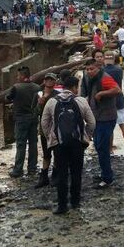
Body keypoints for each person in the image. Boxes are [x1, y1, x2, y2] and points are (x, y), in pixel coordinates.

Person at [40, 75, 95, 214]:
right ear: (75, 88)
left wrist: (51, 138)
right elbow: (92, 122)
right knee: (76, 172)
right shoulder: (81, 101)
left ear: (63, 87)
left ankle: (62, 205)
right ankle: (75, 201)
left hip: (59, 144)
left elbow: (44, 123)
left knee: (62, 174)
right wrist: (86, 137)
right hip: (77, 143)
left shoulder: (52, 101)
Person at [84, 58, 121, 187]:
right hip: (98, 118)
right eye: (87, 69)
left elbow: (117, 90)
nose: (89, 72)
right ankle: (105, 173)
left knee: (102, 147)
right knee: (99, 147)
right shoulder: (92, 79)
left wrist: (101, 93)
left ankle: (107, 178)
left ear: (98, 68)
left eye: (92, 69)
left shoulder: (104, 77)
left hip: (106, 118)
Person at [5, 66, 41, 178]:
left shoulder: (16, 87)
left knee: (21, 145)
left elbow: (8, 98)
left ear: (22, 76)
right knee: (33, 144)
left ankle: (18, 170)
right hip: (34, 118)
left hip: (21, 119)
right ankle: (32, 169)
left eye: (18, 75)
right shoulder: (37, 87)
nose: (17, 77)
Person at [103, 50, 124, 158]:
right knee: (123, 124)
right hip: (120, 100)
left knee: (109, 127)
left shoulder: (102, 71)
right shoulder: (119, 69)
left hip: (107, 101)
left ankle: (110, 149)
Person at [34, 73, 58, 188]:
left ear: (55, 82)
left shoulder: (57, 95)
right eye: (47, 79)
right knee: (46, 153)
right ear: (44, 81)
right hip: (44, 129)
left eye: (51, 80)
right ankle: (44, 177)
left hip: (55, 129)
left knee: (57, 152)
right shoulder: (38, 95)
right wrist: (40, 104)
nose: (49, 81)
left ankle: (55, 175)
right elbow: (34, 112)